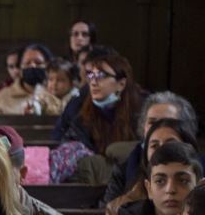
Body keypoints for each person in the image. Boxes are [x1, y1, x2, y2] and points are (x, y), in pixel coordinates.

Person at [101, 91, 205, 207]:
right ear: (143, 127)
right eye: (152, 122)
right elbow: (107, 211)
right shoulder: (123, 169)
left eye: (168, 122)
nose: (159, 128)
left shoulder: (203, 169)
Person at [53, 47, 144, 182]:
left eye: (102, 76)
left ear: (121, 84)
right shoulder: (82, 118)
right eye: (91, 75)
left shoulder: (142, 113)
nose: (94, 82)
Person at [0, 43, 64, 116]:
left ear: (48, 66)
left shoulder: (60, 93)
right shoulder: (2, 97)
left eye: (38, 63)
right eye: (27, 63)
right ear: (20, 67)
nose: (32, 65)